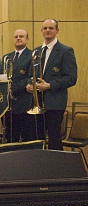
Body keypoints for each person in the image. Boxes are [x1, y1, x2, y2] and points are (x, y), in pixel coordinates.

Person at [26, 18, 77, 150]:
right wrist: (29, 85)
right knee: (36, 138)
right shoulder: (36, 52)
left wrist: (49, 85)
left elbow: (71, 78)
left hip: (54, 103)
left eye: (51, 28)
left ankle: (55, 169)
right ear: (41, 31)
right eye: (45, 28)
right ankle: (39, 168)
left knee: (54, 139)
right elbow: (30, 75)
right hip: (37, 102)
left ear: (57, 31)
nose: (48, 30)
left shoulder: (66, 51)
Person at [2, 29, 35, 142]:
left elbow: (31, 77)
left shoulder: (32, 55)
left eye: (21, 36)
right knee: (11, 136)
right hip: (8, 105)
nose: (18, 38)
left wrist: (14, 87)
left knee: (26, 136)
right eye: (16, 36)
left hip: (24, 103)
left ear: (27, 39)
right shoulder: (7, 57)